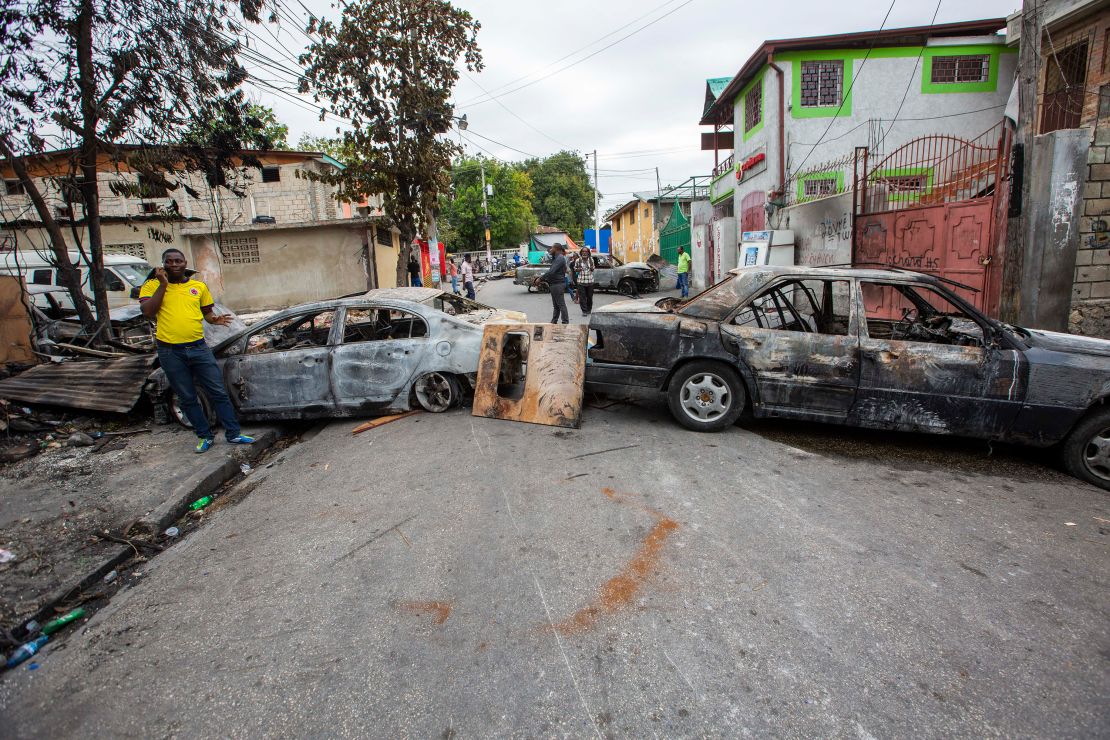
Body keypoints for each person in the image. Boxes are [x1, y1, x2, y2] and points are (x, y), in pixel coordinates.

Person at [139, 249, 254, 453]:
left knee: (218, 391)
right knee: (187, 397)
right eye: (169, 261)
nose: (174, 264)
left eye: (178, 261)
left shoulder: (198, 287)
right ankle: (204, 436)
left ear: (185, 263)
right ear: (163, 264)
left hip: (198, 347)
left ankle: (233, 434)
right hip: (170, 351)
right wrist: (163, 285)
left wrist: (215, 320)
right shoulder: (152, 285)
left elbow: (207, 314)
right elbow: (148, 311)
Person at [537, 243, 569, 324]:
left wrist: (540, 279)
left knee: (561, 304)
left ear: (556, 249)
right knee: (556, 306)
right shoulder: (557, 258)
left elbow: (551, 272)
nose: (550, 250)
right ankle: (554, 321)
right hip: (555, 284)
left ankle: (565, 322)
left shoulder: (560, 258)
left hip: (557, 284)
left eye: (552, 248)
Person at [573, 247, 595, 316]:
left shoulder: (591, 260)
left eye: (586, 251)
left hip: (590, 282)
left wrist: (592, 268)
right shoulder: (578, 260)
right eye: (583, 251)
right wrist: (578, 269)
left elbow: (593, 268)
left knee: (589, 297)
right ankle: (584, 311)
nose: (584, 253)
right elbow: (575, 269)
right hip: (581, 282)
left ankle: (589, 309)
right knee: (582, 298)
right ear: (581, 253)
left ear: (588, 253)